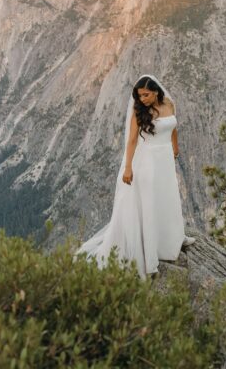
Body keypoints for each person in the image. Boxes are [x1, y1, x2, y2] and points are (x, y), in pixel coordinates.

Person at [76, 75, 193, 278]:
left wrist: (175, 146)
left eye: (146, 95)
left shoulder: (169, 104)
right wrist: (128, 168)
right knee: (150, 201)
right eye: (139, 96)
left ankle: (175, 237)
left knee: (168, 197)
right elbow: (131, 141)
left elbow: (173, 127)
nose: (142, 99)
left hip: (164, 158)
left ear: (156, 92)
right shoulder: (139, 112)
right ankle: (150, 256)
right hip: (147, 161)